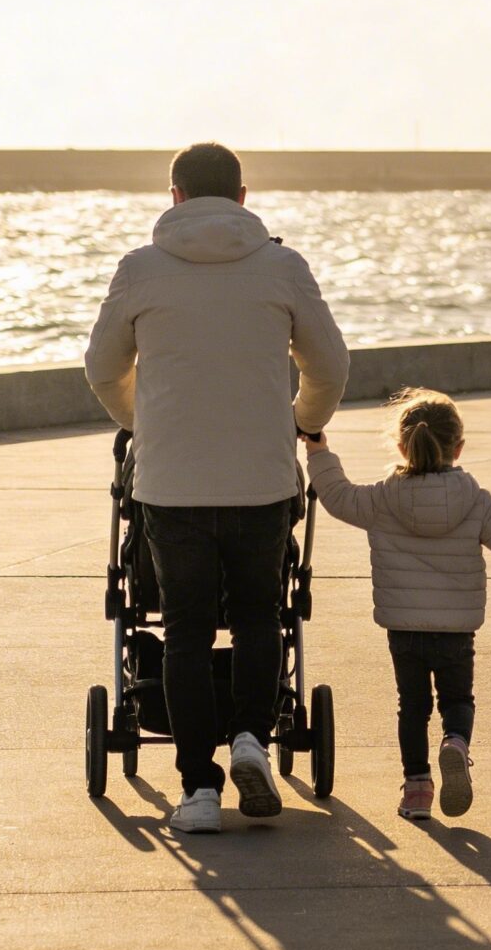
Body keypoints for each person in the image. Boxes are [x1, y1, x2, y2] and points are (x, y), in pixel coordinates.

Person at [86, 141, 349, 835]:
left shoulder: (141, 270)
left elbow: (101, 366)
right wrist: (303, 422)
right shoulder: (281, 266)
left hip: (171, 484)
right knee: (262, 616)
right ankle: (251, 741)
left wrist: (141, 423)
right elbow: (332, 364)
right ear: (242, 195)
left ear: (174, 196)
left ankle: (198, 790)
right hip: (261, 479)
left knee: (185, 632)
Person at [306, 390, 491, 821]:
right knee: (457, 699)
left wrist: (319, 450)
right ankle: (455, 743)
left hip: (404, 630)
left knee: (413, 706)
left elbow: (338, 496)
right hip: (457, 629)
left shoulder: (384, 497)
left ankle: (417, 789)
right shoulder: (473, 498)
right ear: (458, 447)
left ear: (401, 446)